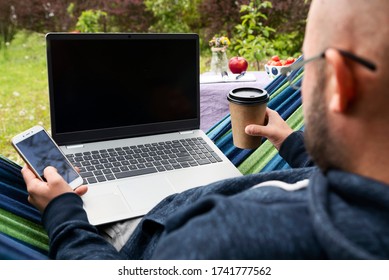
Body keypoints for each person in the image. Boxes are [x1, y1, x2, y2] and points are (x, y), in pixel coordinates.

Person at [22, 0, 389, 259]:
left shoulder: (221, 241)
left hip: (148, 230)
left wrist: (62, 213)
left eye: (306, 66)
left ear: (341, 82)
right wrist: (294, 144)